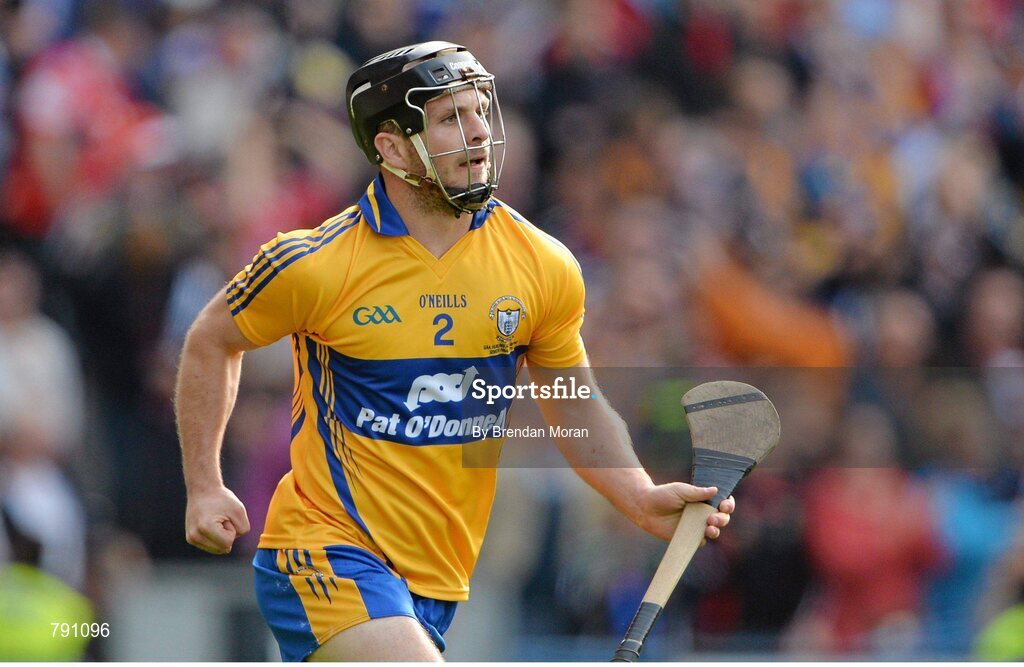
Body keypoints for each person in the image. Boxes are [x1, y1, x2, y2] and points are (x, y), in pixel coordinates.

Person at [176, 41, 735, 662]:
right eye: (449, 118)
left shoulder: (541, 266)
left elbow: (570, 399)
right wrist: (204, 483)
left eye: (477, 113)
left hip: (435, 584)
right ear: (390, 147)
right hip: (325, 554)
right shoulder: (313, 264)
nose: (476, 133)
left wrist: (636, 493)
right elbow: (211, 340)